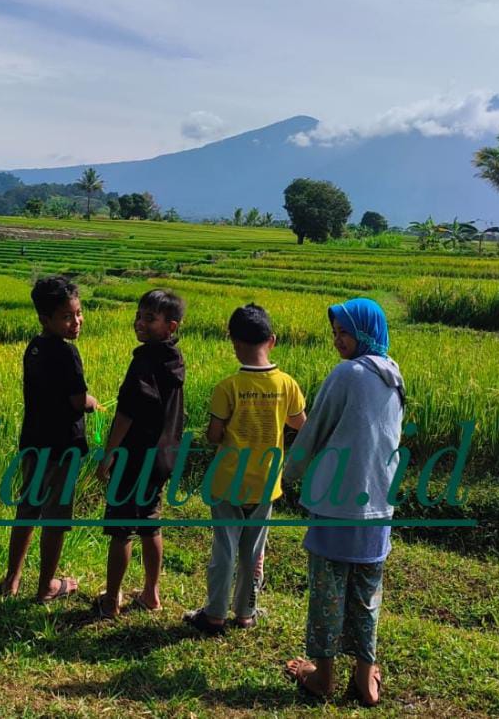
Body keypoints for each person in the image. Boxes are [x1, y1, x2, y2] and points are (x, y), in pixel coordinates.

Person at [281, 298, 406, 708]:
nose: (338, 340)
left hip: (337, 505)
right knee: (367, 593)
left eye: (345, 333)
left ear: (364, 332)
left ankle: (322, 677)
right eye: (335, 333)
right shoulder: (393, 375)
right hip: (378, 506)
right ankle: (365, 677)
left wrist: (288, 474)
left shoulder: (347, 374)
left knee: (327, 591)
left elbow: (314, 431)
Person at [183, 303, 306, 636]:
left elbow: (213, 435)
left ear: (234, 343)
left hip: (227, 482)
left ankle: (214, 615)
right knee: (254, 552)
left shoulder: (228, 387)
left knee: (224, 548)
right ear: (273, 340)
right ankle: (246, 613)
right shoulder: (287, 385)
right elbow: (300, 424)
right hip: (266, 483)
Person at [0, 276, 98, 603]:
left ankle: (12, 579)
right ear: (45, 319)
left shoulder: (34, 348)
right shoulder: (68, 354)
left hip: (34, 443)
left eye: (78, 313)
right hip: (62, 449)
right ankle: (46, 586)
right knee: (55, 518)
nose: (76, 321)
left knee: (28, 509)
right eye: (67, 316)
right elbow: (77, 400)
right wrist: (91, 402)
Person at [94, 289, 187, 618]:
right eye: (139, 315)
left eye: (150, 318)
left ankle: (110, 601)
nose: (140, 323)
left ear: (170, 326)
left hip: (134, 457)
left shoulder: (144, 362)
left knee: (121, 530)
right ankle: (151, 593)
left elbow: (127, 413)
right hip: (161, 458)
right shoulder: (174, 359)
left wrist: (109, 454)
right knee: (150, 523)